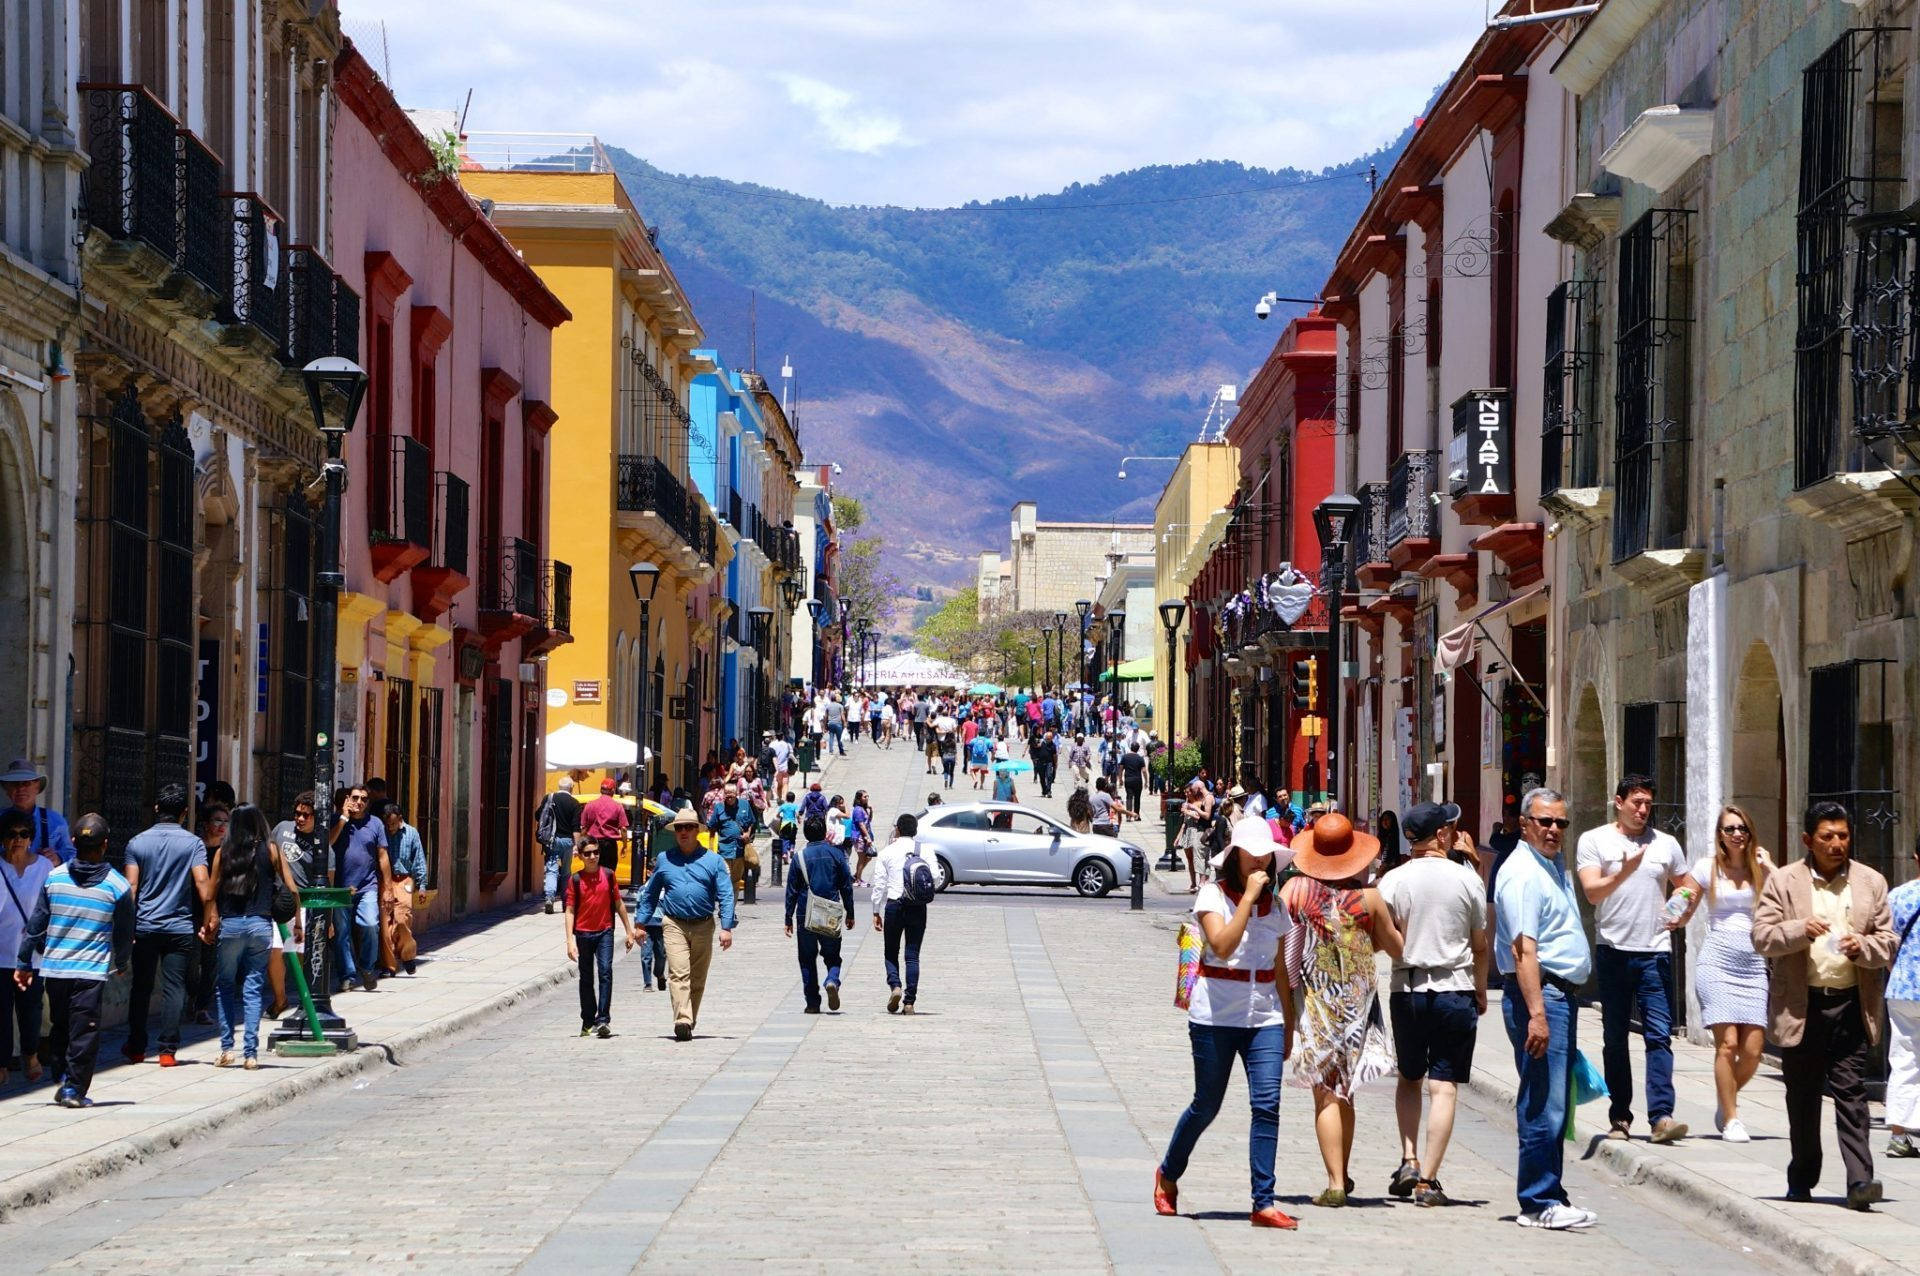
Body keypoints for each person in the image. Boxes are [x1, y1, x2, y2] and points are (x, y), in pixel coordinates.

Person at [1752, 801, 1896, 1210]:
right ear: (1807, 840)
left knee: (1851, 1093)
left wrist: (1862, 946)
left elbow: (1887, 941)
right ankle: (1802, 1175)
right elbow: (1762, 936)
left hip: (1851, 1004)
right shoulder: (1783, 881)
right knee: (1802, 1096)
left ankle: (1860, 1181)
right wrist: (1800, 929)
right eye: (1827, 837)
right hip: (1802, 1006)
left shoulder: (1871, 882)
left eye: (1843, 836)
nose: (1837, 844)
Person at [1155, 815, 1297, 1229]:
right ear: (1235, 858)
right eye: (1253, 856)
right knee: (1207, 1105)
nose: (1261, 865)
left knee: (1267, 1104)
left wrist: (1288, 1023)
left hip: (1264, 1015)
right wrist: (1249, 901)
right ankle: (1167, 1173)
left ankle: (1263, 1201)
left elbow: (1282, 969)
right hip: (1215, 1014)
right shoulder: (1211, 897)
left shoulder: (1280, 906)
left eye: (1267, 858)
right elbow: (1221, 944)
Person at [1280, 813, 1401, 1207]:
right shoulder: (1368, 899)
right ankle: (1342, 1173)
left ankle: (1334, 1182)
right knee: (1346, 1092)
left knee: (1325, 1094)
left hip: (1316, 1002)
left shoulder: (1295, 890)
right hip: (1358, 1004)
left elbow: (1279, 947)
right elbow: (1396, 947)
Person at [1575, 773, 1698, 1144]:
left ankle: (1662, 1116)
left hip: (1655, 952)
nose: (1643, 810)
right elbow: (1592, 892)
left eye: (1648, 804)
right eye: (1636, 803)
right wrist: (1625, 870)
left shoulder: (1666, 844)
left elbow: (1689, 885)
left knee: (1659, 1036)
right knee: (1614, 1038)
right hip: (1612, 951)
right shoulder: (1594, 840)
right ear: (1619, 802)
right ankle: (1620, 1117)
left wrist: (1682, 914)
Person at [1494, 787, 1597, 1230]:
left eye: (1560, 823)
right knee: (1543, 1100)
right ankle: (1537, 1200)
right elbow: (1523, 951)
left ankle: (1551, 1191)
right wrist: (1537, 1013)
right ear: (1525, 824)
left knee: (1556, 1099)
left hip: (1559, 997)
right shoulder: (1522, 873)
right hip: (1542, 998)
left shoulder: (1551, 868)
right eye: (1545, 822)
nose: (1554, 830)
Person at [1378, 801, 1488, 1208]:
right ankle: (1428, 1180)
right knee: (1444, 1086)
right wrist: (1479, 990)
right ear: (1441, 835)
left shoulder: (1394, 880)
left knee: (1409, 1077)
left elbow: (1380, 932)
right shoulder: (1467, 879)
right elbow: (1480, 943)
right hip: (1454, 988)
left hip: (1406, 990)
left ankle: (1408, 1158)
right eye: (1451, 827)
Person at [15, 814, 131, 1108]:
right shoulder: (118, 886)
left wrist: (24, 962)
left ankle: (63, 1078)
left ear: (74, 842)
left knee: (61, 1025)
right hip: (90, 971)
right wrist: (123, 962)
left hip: (55, 969)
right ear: (105, 845)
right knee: (84, 1030)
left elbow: (36, 925)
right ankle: (73, 1088)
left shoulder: (53, 878)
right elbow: (124, 932)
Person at [1675, 803, 1772, 1143]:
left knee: (1754, 1050)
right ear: (1720, 835)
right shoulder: (1707, 868)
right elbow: (1685, 897)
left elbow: (1786, 900)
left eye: (1742, 828)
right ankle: (1731, 1119)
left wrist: (1770, 867)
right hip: (1717, 959)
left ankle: (1724, 1097)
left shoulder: (1760, 870)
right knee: (1727, 1044)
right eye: (1730, 829)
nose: (1736, 834)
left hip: (1753, 961)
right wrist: (1679, 913)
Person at [121, 784, 214, 1067]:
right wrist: (211, 917)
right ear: (184, 813)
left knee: (141, 987)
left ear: (157, 809)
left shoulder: (136, 843)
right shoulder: (193, 844)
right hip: (180, 927)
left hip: (146, 926)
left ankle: (137, 1047)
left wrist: (127, 928)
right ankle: (167, 1050)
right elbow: (201, 882)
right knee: (175, 987)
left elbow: (131, 887)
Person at [208, 805, 301, 1069]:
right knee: (253, 987)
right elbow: (291, 887)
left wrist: (209, 922)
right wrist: (299, 923)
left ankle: (227, 1049)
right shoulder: (272, 849)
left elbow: (209, 894)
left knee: (225, 985)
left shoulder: (222, 853)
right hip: (261, 925)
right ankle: (250, 1054)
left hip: (231, 926)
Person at [639, 805, 737, 1041]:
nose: (684, 832)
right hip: (674, 923)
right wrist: (640, 923)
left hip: (704, 924)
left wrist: (726, 927)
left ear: (697, 831)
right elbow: (651, 893)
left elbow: (726, 894)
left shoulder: (713, 861)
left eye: (689, 827)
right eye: (680, 828)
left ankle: (690, 1017)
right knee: (678, 973)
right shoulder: (664, 859)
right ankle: (682, 1019)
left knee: (698, 977)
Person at [564, 837, 638, 1038]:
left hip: (605, 931)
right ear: (580, 856)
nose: (592, 857)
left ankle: (603, 1019)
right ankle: (588, 1020)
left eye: (595, 852)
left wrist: (629, 931)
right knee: (586, 978)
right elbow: (570, 910)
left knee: (605, 971)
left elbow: (618, 903)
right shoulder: (575, 880)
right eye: (587, 853)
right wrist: (570, 941)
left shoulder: (608, 875)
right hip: (583, 933)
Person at [0, 807, 54, 1085]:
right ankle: (2, 1063)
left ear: (31, 837)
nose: (18, 839)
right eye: (11, 834)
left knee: (31, 1010)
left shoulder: (44, 867)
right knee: (0, 1013)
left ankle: (31, 1054)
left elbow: (52, 906)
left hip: (32, 956)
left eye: (23, 834)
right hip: (1, 952)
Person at [785, 814, 857, 1013]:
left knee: (807, 959)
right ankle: (832, 979)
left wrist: (787, 918)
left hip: (805, 913)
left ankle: (812, 1002)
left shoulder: (799, 857)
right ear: (825, 832)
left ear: (805, 834)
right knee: (833, 956)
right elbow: (846, 886)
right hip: (830, 911)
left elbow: (791, 890)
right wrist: (850, 912)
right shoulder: (837, 854)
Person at [329, 784, 391, 992]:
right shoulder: (335, 820)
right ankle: (347, 975)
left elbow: (382, 856)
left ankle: (366, 966)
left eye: (364, 799)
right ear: (348, 799)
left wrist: (388, 887)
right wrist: (343, 818)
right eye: (355, 798)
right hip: (340, 889)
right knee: (341, 933)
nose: (359, 802)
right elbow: (328, 843)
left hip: (367, 886)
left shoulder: (375, 824)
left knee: (371, 925)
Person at [870, 813, 930, 1014]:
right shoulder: (925, 850)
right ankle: (909, 1002)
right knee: (912, 956)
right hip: (917, 907)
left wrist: (876, 911)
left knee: (891, 952)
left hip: (894, 905)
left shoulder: (887, 852)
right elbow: (936, 879)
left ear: (898, 829)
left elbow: (879, 885)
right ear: (915, 830)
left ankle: (895, 986)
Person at [1885, 831, 1920, 1159]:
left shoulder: (1899, 895)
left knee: (1904, 1059)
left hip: (1902, 988)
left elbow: (1886, 942)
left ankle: (1898, 1134)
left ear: (1916, 858)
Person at [379, 802, 427, 977]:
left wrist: (422, 886)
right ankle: (389, 966)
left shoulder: (412, 833)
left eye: (393, 823)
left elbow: (419, 859)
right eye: (387, 824)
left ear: (400, 819)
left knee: (402, 919)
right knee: (386, 925)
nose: (390, 828)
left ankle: (407, 955)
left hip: (404, 879)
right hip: (386, 880)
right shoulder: (382, 832)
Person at [0, 759, 75, 864]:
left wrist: (58, 858)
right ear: (7, 790)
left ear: (37, 787)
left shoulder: (55, 821)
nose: (20, 789)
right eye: (15, 784)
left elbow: (72, 855)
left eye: (26, 783)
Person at [535, 778, 582, 914]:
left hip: (552, 840)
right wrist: (576, 846)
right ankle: (566, 902)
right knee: (566, 872)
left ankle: (549, 897)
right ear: (571, 788)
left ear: (559, 786)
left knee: (551, 869)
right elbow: (576, 828)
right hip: (567, 841)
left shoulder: (549, 798)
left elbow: (538, 816)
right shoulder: (574, 803)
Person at [706, 781, 758, 902]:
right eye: (726, 795)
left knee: (735, 882)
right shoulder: (719, 807)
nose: (729, 797)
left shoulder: (745, 805)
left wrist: (747, 834)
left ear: (736, 794)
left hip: (740, 852)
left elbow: (751, 822)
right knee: (725, 881)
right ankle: (725, 908)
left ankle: (730, 910)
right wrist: (710, 849)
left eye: (731, 795)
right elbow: (712, 828)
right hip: (724, 851)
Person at [580, 777, 631, 886]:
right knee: (609, 873)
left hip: (593, 844)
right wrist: (625, 845)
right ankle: (607, 895)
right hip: (609, 845)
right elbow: (623, 829)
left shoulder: (590, 805)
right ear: (613, 790)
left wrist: (580, 844)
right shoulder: (617, 806)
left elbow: (584, 828)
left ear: (601, 790)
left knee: (593, 872)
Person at [1176, 780, 1213, 893]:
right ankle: (1193, 882)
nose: (1186, 794)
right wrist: (1178, 837)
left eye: (1188, 792)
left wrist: (1188, 811)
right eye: (1185, 793)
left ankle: (1202, 882)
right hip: (1188, 832)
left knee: (1199, 857)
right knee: (1190, 859)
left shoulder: (1200, 802)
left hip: (1196, 831)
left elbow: (1201, 817)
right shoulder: (1186, 804)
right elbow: (1184, 823)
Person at [1120, 744, 1148, 821]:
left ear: (1130, 748)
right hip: (1137, 780)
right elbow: (1144, 771)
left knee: (1129, 797)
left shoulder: (1125, 757)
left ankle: (1128, 816)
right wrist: (1146, 781)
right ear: (1138, 749)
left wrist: (1120, 779)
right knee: (1137, 798)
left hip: (1128, 780)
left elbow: (1121, 769)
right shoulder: (1140, 758)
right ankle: (1136, 815)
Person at [1031, 729, 1058, 799]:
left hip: (1049, 763)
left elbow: (1055, 755)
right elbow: (1034, 747)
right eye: (1047, 738)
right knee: (1042, 778)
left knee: (1049, 776)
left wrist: (1055, 763)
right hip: (1040, 762)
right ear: (1045, 738)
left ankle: (1049, 791)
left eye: (1050, 738)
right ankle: (1044, 791)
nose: (1049, 740)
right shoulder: (1041, 743)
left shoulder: (1053, 746)